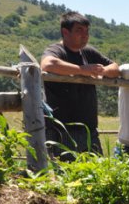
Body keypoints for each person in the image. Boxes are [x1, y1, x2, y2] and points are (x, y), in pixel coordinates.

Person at [40, 11, 120, 159]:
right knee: (66, 176)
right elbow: (48, 64)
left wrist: (103, 70)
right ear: (65, 32)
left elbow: (115, 68)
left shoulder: (88, 52)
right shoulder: (56, 50)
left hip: (89, 130)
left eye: (87, 31)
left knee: (96, 175)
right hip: (63, 130)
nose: (85, 35)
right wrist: (82, 70)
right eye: (79, 30)